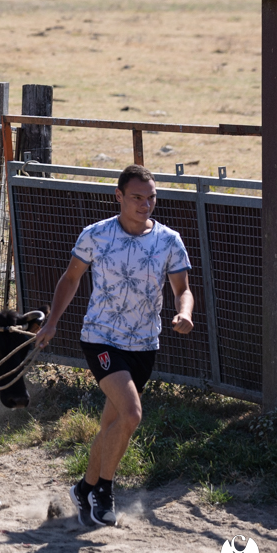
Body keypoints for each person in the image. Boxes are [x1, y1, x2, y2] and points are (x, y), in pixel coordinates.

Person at [32, 164, 193, 527]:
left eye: (151, 198)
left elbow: (182, 289)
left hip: (144, 344)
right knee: (132, 415)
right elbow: (71, 278)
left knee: (113, 424)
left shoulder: (169, 240)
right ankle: (103, 491)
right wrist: (52, 322)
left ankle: (83, 488)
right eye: (137, 197)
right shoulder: (96, 234)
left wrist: (185, 313)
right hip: (101, 338)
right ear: (119, 196)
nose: (145, 204)